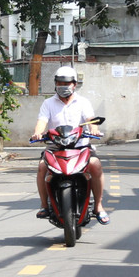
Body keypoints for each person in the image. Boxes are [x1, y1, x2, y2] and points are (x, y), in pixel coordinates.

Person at [32, 64, 108, 224]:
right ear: (55, 84)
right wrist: (38, 132)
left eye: (66, 83)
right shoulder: (48, 103)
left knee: (95, 165)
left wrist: (93, 130)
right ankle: (44, 205)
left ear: (74, 84)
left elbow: (90, 120)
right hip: (55, 147)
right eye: (60, 83)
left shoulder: (83, 102)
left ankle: (99, 206)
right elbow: (42, 121)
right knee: (41, 167)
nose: (63, 86)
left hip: (80, 146)